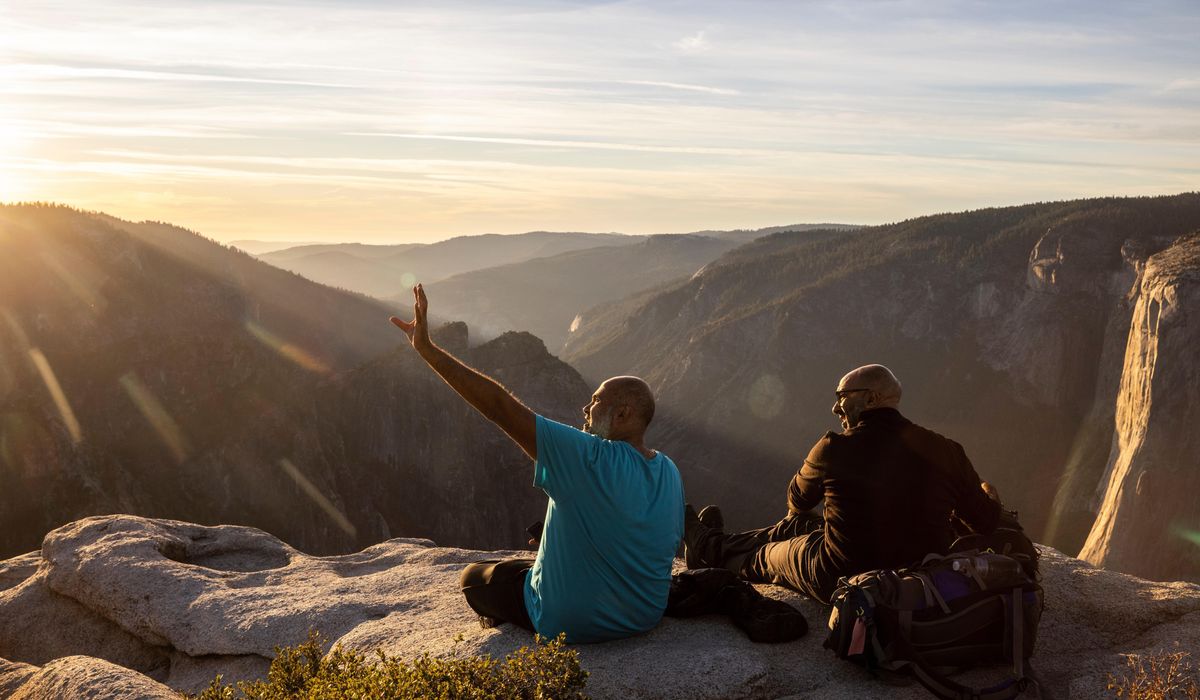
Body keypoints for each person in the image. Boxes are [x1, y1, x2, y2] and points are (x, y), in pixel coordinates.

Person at [390, 284, 684, 643]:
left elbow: (499, 407)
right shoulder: (668, 470)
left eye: (595, 401)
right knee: (526, 565)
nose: (585, 409)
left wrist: (428, 350)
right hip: (645, 615)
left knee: (474, 578)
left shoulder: (587, 456)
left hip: (568, 621)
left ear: (621, 414)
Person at [684, 364, 1000, 603]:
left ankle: (713, 553)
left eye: (842, 397)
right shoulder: (946, 449)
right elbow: (985, 520)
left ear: (872, 398)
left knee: (768, 555)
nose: (836, 408)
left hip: (840, 574)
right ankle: (712, 544)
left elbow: (797, 500)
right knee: (801, 525)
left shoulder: (834, 447)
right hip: (920, 574)